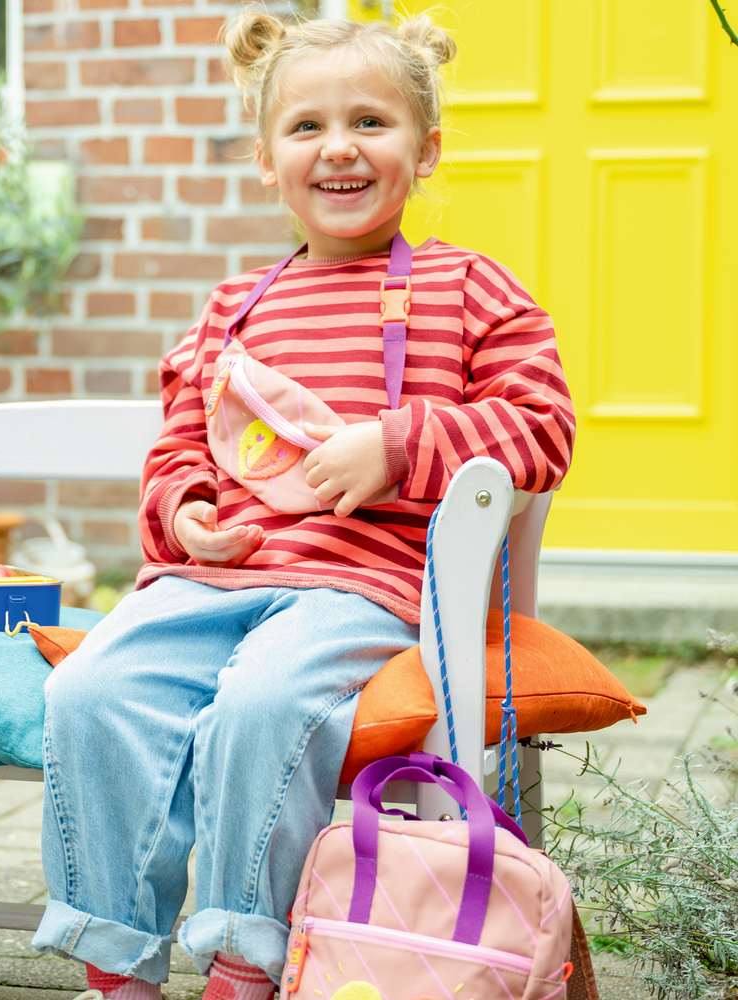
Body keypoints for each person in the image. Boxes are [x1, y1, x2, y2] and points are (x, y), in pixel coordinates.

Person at [31, 9, 575, 1000]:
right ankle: (115, 960)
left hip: (355, 588)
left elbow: (541, 431)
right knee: (88, 691)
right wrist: (187, 508)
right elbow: (177, 448)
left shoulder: (472, 291)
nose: (339, 148)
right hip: (210, 578)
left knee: (264, 699)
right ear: (266, 156)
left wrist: (398, 443)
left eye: (371, 122)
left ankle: (245, 953)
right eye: (306, 127)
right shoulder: (235, 306)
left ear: (426, 148)